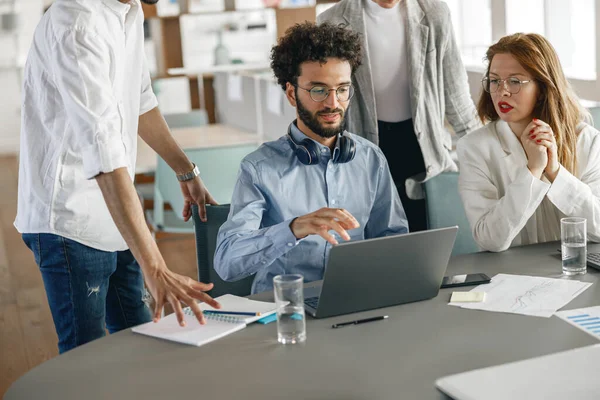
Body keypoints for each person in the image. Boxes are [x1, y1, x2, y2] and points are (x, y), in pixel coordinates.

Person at [15, 0, 220, 353]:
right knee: (87, 355)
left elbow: (139, 100)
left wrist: (185, 170)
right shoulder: (76, 25)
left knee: (140, 335)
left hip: (119, 214)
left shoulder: (130, 10)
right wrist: (156, 268)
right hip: (70, 221)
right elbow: (104, 155)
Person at [213, 22, 408, 294]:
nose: (333, 103)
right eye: (319, 90)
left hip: (354, 301)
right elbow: (227, 262)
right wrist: (293, 229)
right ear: (292, 94)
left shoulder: (370, 158)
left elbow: (393, 240)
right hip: (287, 309)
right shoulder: (259, 168)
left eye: (342, 89)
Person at [318, 0, 481, 232]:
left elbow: (458, 100)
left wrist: (486, 161)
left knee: (427, 247)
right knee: (374, 250)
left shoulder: (435, 13)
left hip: (424, 154)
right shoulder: (331, 21)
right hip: (363, 151)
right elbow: (325, 107)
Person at [458, 33, 600, 252]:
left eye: (515, 81)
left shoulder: (587, 140)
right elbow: (489, 240)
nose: (502, 91)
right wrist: (532, 171)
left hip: (577, 273)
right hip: (510, 278)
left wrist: (554, 172)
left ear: (542, 89)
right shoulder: (474, 147)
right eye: (495, 80)